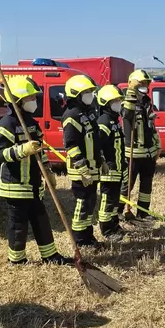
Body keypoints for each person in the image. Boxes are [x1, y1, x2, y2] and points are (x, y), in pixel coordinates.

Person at [0, 77, 73, 265]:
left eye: (33, 97)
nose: (33, 102)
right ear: (18, 101)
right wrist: (22, 150)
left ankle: (50, 255)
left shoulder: (32, 123)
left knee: (41, 219)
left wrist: (48, 171)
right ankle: (17, 260)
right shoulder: (6, 124)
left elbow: (41, 151)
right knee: (18, 225)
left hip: (33, 184)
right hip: (16, 184)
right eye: (29, 98)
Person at [62, 74, 103, 246]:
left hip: (93, 167)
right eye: (86, 92)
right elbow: (71, 145)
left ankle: (88, 236)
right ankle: (79, 239)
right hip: (81, 170)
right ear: (76, 94)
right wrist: (82, 168)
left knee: (91, 202)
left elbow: (94, 140)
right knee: (82, 203)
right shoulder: (71, 115)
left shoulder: (88, 113)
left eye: (90, 92)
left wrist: (100, 160)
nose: (90, 95)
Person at [122, 69, 159, 221]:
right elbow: (126, 116)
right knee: (127, 186)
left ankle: (143, 213)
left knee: (146, 185)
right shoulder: (127, 103)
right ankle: (117, 212)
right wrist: (131, 96)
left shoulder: (147, 102)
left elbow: (151, 125)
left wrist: (157, 144)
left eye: (146, 83)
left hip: (148, 152)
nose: (145, 86)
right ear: (134, 85)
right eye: (142, 83)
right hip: (134, 152)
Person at [95, 84, 127, 241]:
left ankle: (114, 225)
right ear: (106, 103)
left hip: (118, 169)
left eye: (119, 100)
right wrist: (104, 164)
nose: (119, 103)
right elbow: (97, 146)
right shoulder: (104, 122)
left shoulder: (114, 121)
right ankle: (106, 230)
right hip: (109, 171)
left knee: (114, 202)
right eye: (115, 100)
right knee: (107, 201)